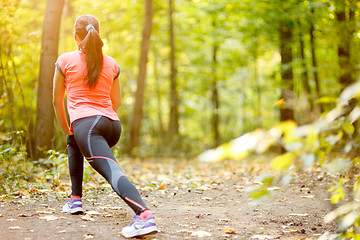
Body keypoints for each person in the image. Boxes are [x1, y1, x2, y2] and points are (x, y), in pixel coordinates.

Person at [52, 14, 158, 238]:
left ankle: (144, 216)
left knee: (112, 170)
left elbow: (56, 101)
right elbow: (116, 102)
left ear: (75, 37)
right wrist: (77, 131)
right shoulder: (112, 63)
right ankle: (75, 200)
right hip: (111, 125)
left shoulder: (65, 60)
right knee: (74, 139)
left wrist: (66, 127)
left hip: (88, 126)